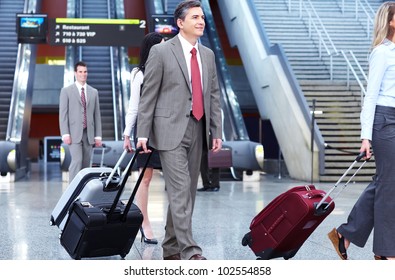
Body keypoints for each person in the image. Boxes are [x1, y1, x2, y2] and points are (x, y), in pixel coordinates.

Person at [135, 0, 222, 260]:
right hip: (169, 130)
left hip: (198, 128)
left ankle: (171, 248)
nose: (201, 21)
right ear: (180, 23)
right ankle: (190, 249)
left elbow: (214, 96)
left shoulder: (207, 55)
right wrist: (143, 132)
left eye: (203, 17)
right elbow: (148, 94)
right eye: (195, 17)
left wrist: (216, 131)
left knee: (188, 191)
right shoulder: (162, 52)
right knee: (180, 187)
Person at [328, 1, 395, 260]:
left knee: (385, 182)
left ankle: (346, 233)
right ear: (390, 21)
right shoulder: (382, 52)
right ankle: (385, 252)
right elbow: (370, 96)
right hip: (385, 121)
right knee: (389, 185)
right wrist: (365, 136)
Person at [123, 32, 165, 245]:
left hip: (167, 130)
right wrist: (127, 133)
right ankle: (144, 221)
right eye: (161, 46)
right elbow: (134, 105)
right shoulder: (139, 73)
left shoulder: (169, 70)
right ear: (152, 49)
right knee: (145, 178)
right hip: (146, 131)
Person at [59, 61, 102, 182]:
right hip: (73, 134)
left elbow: (97, 115)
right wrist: (65, 133)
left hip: (89, 134)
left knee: (86, 163)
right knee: (77, 161)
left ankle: (83, 191)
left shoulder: (94, 92)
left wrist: (98, 136)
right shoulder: (66, 91)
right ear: (75, 73)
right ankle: (72, 192)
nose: (83, 74)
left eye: (85, 72)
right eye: (80, 72)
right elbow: (63, 114)